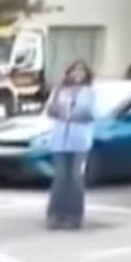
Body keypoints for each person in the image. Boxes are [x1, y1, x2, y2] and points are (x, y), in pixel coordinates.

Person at [45, 60, 97, 230]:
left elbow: (87, 112)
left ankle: (74, 216)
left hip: (79, 142)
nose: (77, 74)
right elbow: (51, 110)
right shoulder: (59, 90)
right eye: (75, 70)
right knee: (60, 178)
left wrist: (67, 112)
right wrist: (62, 111)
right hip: (59, 141)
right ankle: (55, 215)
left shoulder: (89, 92)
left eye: (81, 71)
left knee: (75, 178)